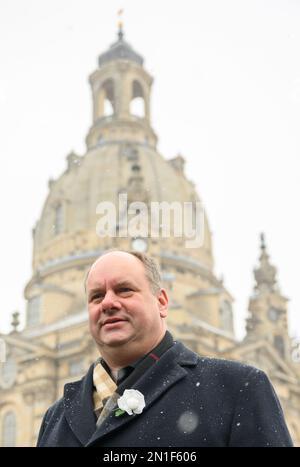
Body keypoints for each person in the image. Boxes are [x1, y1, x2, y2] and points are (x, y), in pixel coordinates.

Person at [37, 250, 293, 447]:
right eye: (96, 296)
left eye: (124, 290)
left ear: (161, 302)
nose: (108, 303)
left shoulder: (237, 388)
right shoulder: (56, 417)